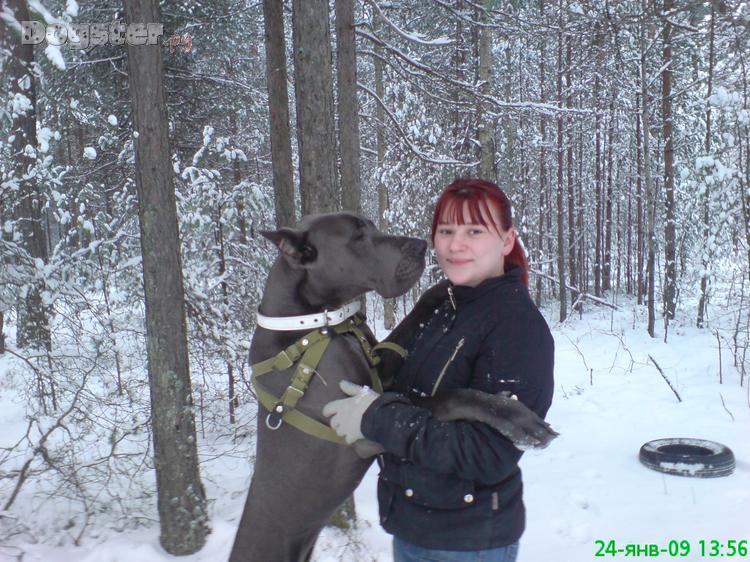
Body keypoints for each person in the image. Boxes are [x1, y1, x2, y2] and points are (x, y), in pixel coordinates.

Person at [323, 178, 554, 562]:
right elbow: (420, 400)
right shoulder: (445, 306)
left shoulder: (516, 326)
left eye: (474, 231)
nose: (455, 244)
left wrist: (376, 418)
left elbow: (487, 453)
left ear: (507, 240)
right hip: (414, 526)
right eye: (446, 231)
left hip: (467, 543)